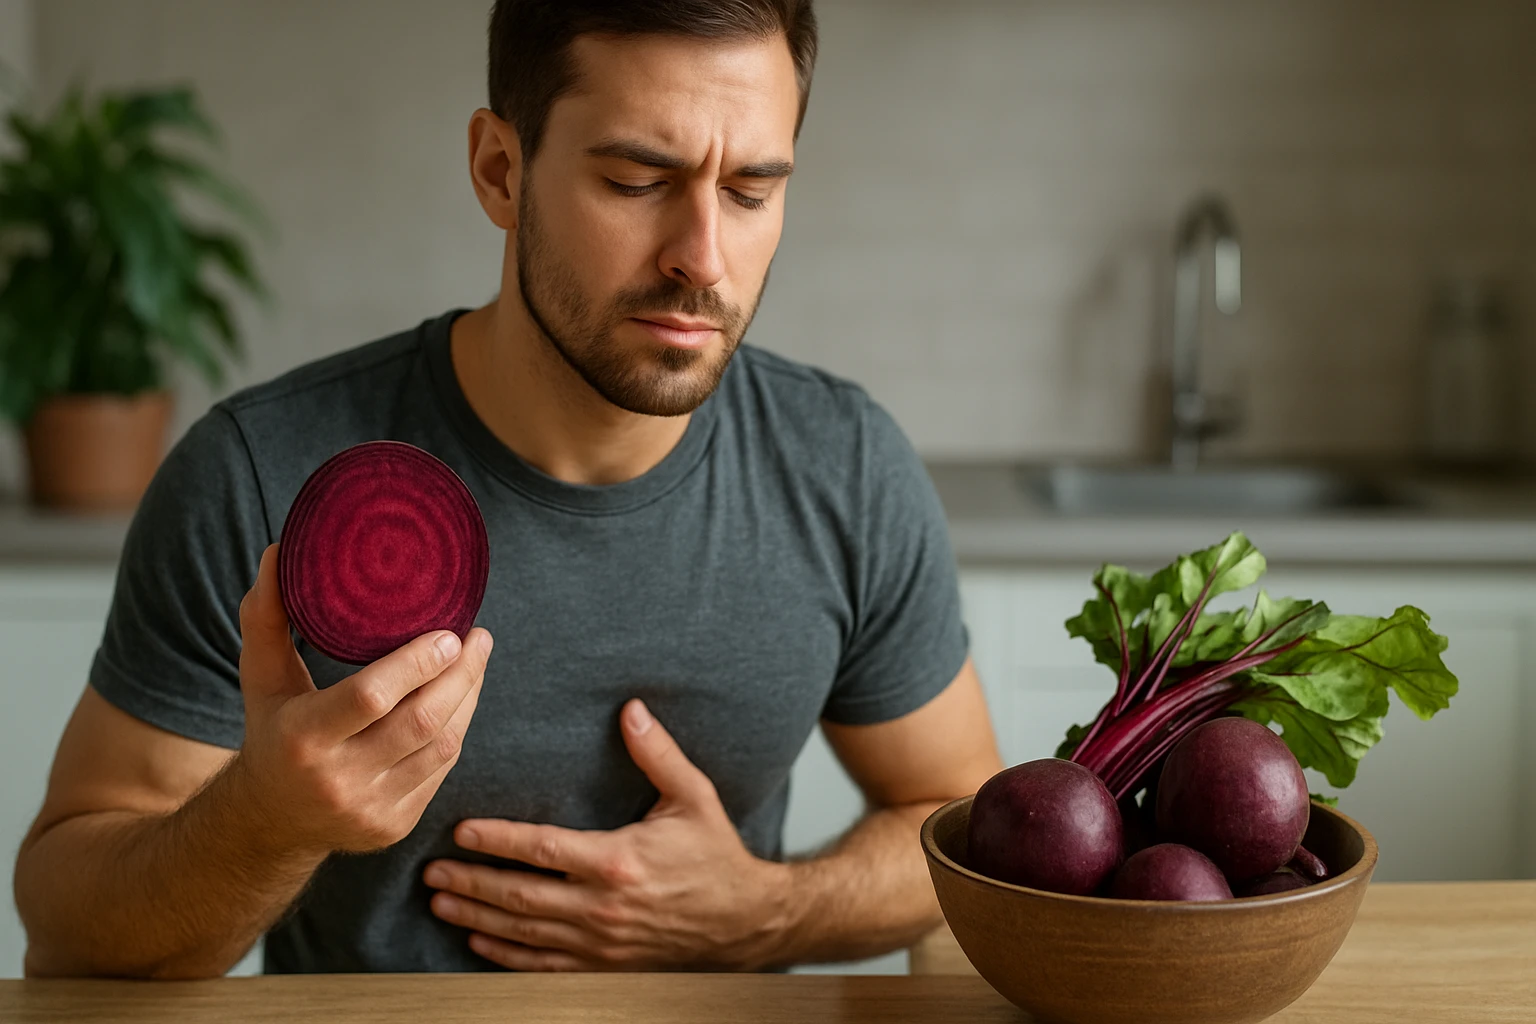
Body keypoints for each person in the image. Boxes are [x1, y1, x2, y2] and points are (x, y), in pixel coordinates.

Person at [14, 0, 1003, 977]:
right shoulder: (260, 474)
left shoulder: (847, 469)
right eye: (633, 179)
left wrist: (761, 911)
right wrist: (266, 820)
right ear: (500, 168)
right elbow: (69, 927)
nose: (702, 257)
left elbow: (969, 837)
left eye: (749, 190)